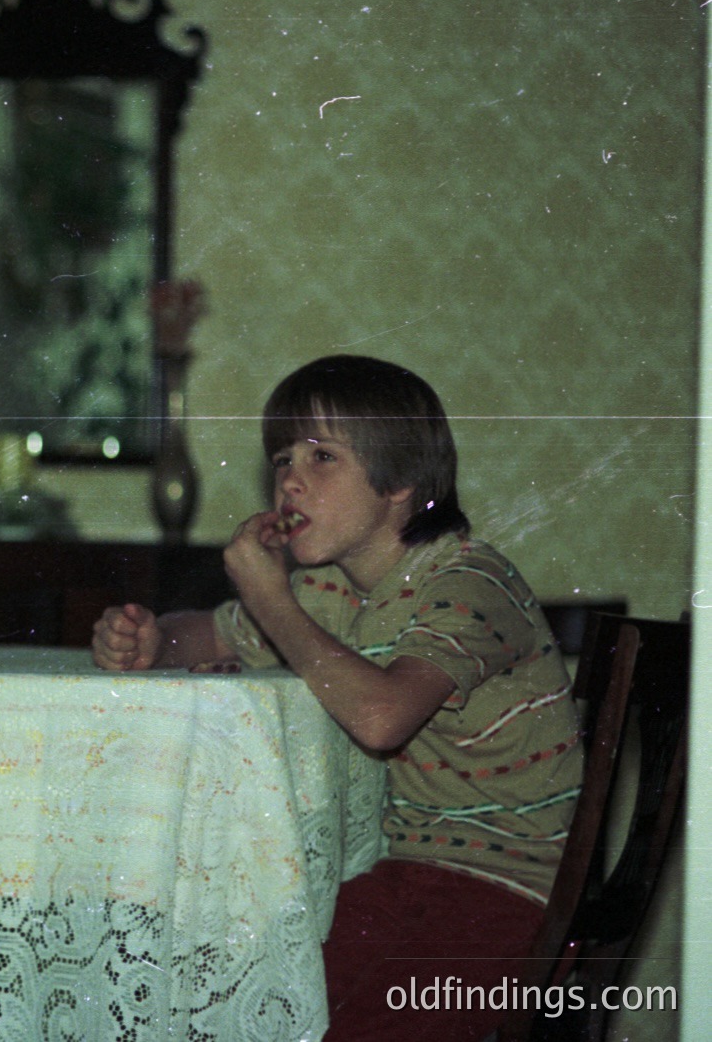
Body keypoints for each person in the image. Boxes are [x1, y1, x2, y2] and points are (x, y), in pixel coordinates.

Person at [92, 355, 581, 1042]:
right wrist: (147, 639)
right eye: (283, 456)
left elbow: (382, 718)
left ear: (401, 482)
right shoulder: (329, 592)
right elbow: (202, 635)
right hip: (408, 876)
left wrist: (269, 596)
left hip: (516, 895)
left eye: (323, 456)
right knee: (256, 990)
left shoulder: (470, 583)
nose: (289, 477)